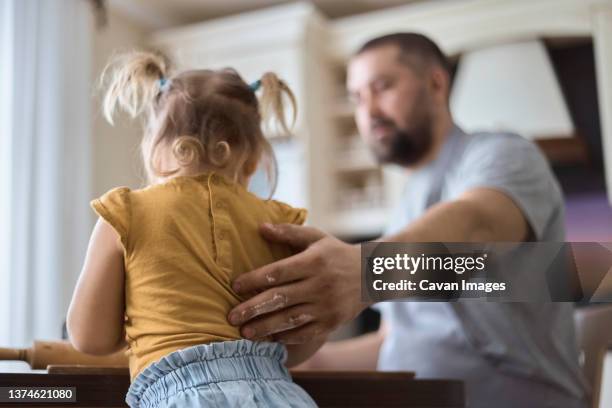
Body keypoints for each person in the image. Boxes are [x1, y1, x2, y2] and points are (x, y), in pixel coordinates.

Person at [227, 33, 590, 408]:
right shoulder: (408, 204)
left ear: (435, 83)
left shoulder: (502, 154)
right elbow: (395, 341)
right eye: (357, 97)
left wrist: (364, 271)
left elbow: (478, 227)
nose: (368, 111)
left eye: (381, 87)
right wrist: (284, 361)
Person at [66, 51, 319, 408]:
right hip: (281, 395)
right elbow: (301, 343)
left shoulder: (125, 213)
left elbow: (90, 338)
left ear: (155, 149)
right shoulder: (282, 225)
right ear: (252, 160)